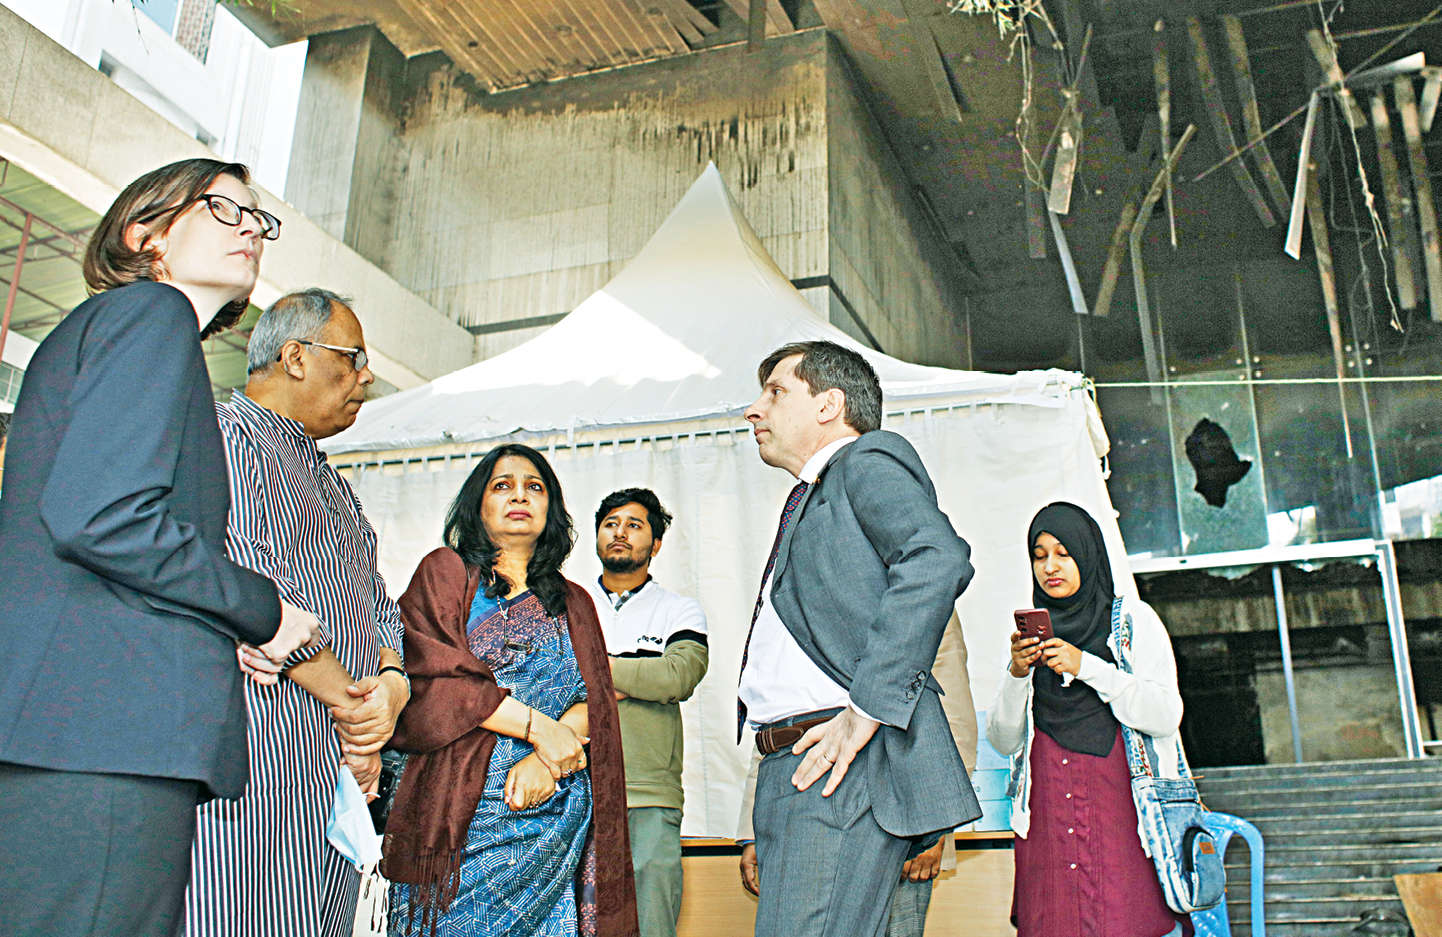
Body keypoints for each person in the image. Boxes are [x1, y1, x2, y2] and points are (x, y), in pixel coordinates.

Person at [0, 158, 320, 937]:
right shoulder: (152, 313)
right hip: (104, 734)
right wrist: (259, 608)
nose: (251, 229)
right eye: (224, 209)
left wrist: (212, 622)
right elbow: (104, 516)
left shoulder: (115, 329)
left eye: (258, 219)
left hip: (73, 731)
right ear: (147, 233)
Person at [185, 289, 410, 937]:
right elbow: (245, 585)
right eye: (353, 357)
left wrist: (390, 689)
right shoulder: (224, 439)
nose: (366, 377)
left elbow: (381, 607)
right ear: (295, 357)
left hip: (336, 769)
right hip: (257, 751)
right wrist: (353, 708)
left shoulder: (335, 485)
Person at [736, 340, 980, 937]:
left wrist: (867, 708)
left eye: (776, 392)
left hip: (837, 764)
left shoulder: (866, 459)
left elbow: (936, 558)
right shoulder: (812, 494)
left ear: (829, 405)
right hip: (795, 765)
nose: (754, 410)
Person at [383, 444, 638, 937]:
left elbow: (594, 700)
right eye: (503, 486)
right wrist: (540, 730)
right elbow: (433, 680)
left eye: (534, 487)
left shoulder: (574, 601)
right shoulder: (447, 574)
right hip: (461, 815)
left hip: (555, 813)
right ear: (477, 504)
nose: (519, 496)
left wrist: (548, 759)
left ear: (551, 508)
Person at [986, 502, 1192, 937]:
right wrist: (1018, 673)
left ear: (1088, 553)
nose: (1050, 567)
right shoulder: (1029, 641)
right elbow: (1004, 741)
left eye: (1063, 553)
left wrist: (1087, 667)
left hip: (1122, 821)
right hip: (1048, 826)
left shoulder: (1134, 623)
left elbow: (1165, 715)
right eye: (1039, 555)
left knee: (1126, 922)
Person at [736, 609, 978, 937]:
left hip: (901, 810)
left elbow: (954, 715)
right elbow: (776, 716)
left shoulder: (919, 596)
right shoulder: (799, 594)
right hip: (800, 799)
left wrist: (934, 826)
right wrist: (751, 832)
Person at [584, 488, 709, 937]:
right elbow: (550, 684)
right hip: (573, 792)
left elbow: (677, 677)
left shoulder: (679, 609)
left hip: (648, 796)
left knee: (650, 925)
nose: (620, 532)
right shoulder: (568, 608)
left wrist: (597, 670)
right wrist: (637, 678)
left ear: (655, 545)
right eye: (611, 523)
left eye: (634, 525)